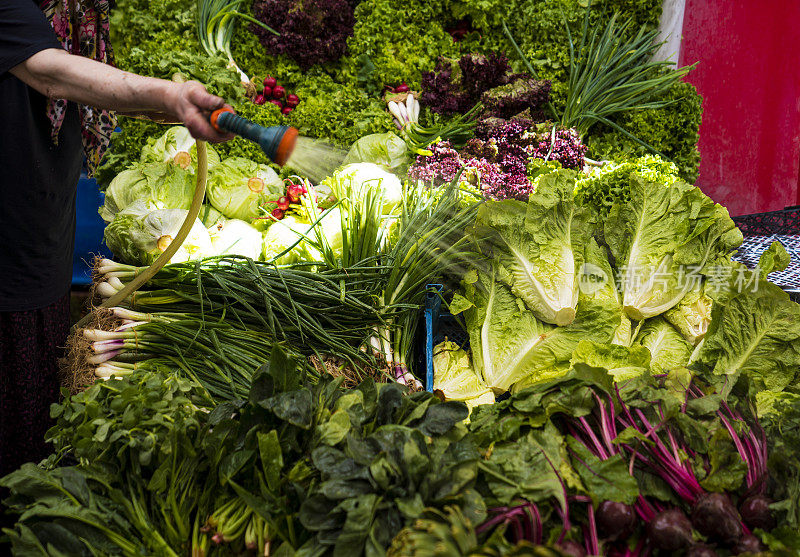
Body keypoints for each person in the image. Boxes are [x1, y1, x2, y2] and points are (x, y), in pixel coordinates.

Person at [0, 0, 232, 479]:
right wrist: (169, 94)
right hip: (9, 234)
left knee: (41, 384)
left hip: (43, 218)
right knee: (15, 406)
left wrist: (157, 103)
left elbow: (76, 78)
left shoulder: (75, 7)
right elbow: (52, 72)